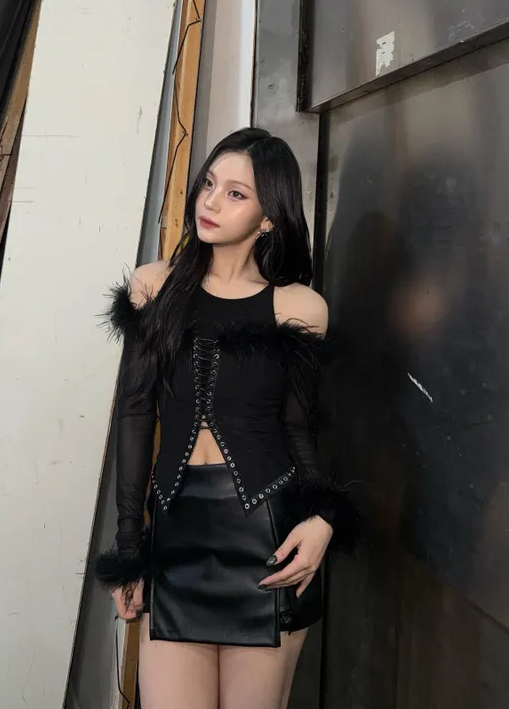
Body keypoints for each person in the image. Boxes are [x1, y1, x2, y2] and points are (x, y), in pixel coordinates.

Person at [96, 128, 354, 709]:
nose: (210, 202)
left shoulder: (299, 307)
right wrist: (129, 546)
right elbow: (135, 415)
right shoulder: (152, 286)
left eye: (236, 194)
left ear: (269, 217)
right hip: (176, 540)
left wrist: (324, 518)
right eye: (209, 183)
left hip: (270, 540)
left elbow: (299, 430)